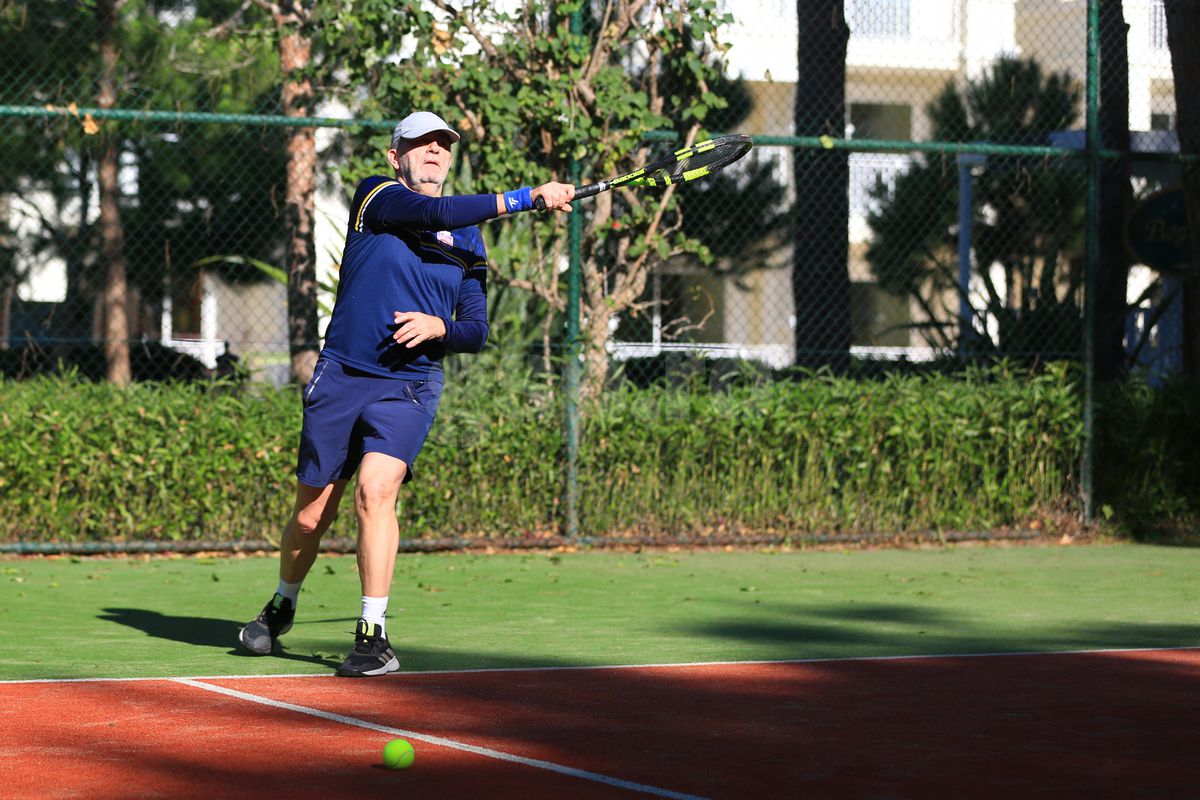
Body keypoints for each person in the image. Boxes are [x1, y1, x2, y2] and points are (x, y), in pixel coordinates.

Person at [238, 111, 575, 676]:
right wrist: (524, 198)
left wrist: (441, 328)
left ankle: (373, 635)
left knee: (377, 491)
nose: (436, 151)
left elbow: (475, 329)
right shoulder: (378, 197)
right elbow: (435, 211)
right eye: (422, 143)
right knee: (310, 517)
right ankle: (282, 605)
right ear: (397, 156)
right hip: (343, 374)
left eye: (444, 144)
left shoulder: (468, 240)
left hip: (410, 385)